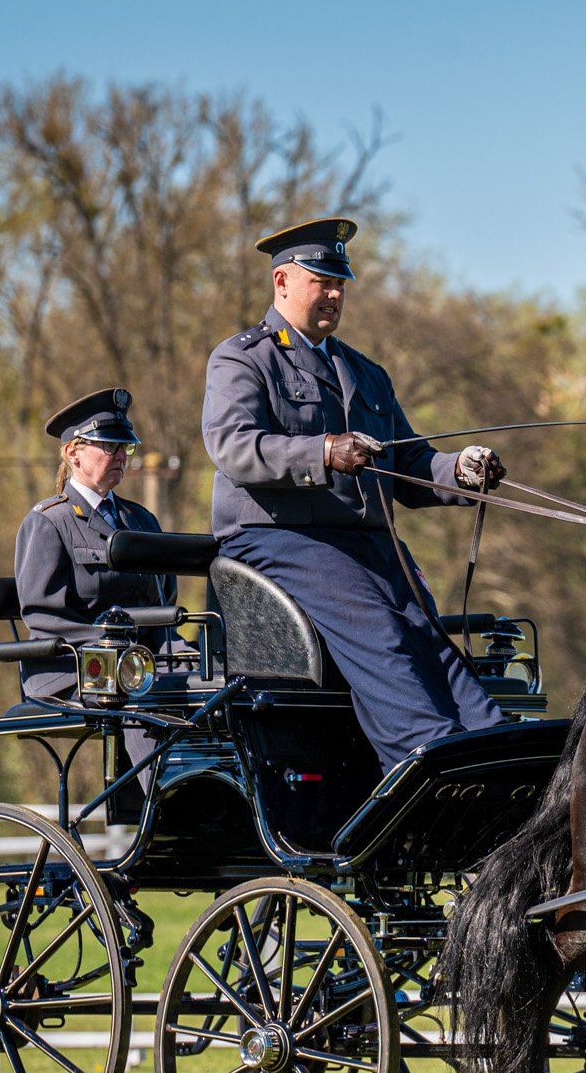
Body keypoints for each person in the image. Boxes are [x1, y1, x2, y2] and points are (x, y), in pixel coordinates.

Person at [200, 216, 508, 771]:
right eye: (322, 281)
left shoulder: (366, 373)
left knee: (429, 641)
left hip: (363, 545)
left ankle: (490, 753)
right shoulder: (243, 358)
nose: (335, 294)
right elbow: (233, 448)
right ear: (283, 282)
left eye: (340, 283)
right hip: (279, 538)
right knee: (383, 636)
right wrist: (323, 451)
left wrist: (460, 471)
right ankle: (429, 766)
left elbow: (410, 461)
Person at [14, 387, 177, 702]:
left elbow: (163, 606)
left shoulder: (141, 520)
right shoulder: (50, 522)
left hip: (139, 666)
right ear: (72, 453)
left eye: (124, 447)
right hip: (74, 668)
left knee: (217, 693)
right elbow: (45, 618)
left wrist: (183, 653)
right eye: (109, 446)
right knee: (150, 713)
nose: (120, 455)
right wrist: (114, 646)